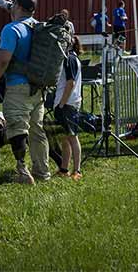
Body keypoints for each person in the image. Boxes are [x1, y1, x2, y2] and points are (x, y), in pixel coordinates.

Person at [0, 0, 50, 185]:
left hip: (17, 86)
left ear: (18, 6)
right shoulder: (38, 27)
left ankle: (23, 171)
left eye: (13, 4)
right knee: (37, 130)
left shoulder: (11, 29)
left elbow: (3, 60)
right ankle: (42, 171)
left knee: (17, 128)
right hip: (37, 87)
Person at [54, 36, 83, 180]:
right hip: (64, 102)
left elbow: (70, 83)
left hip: (67, 103)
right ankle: (64, 169)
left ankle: (77, 171)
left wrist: (61, 104)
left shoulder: (70, 58)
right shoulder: (70, 58)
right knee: (64, 139)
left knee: (72, 137)